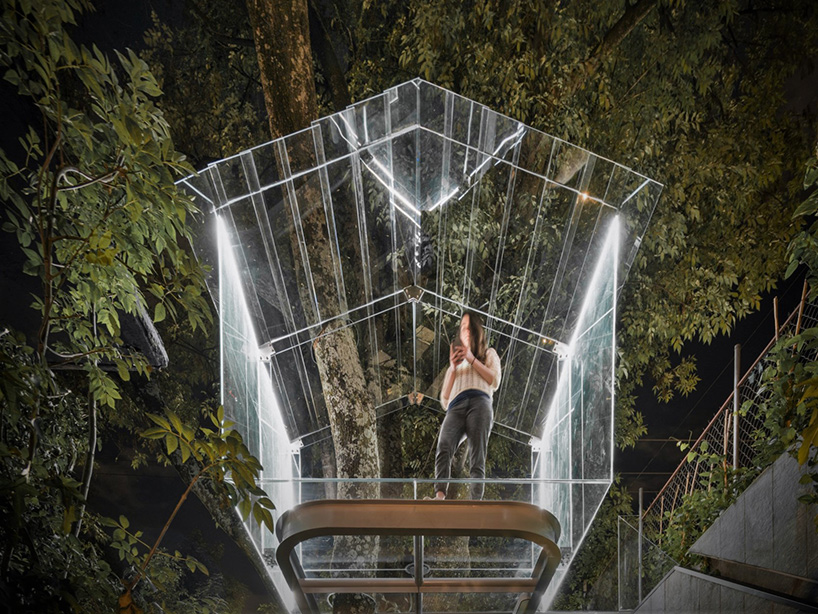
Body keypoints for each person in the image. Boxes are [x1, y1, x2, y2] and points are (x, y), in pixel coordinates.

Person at [432, 311, 501, 500]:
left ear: (477, 332)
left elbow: (493, 380)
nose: (466, 332)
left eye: (470, 328)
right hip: (456, 406)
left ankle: (475, 502)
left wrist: (471, 358)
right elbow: (444, 400)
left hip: (480, 402)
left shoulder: (488, 353)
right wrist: (453, 368)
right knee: (444, 445)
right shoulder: (453, 368)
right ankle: (439, 496)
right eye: (463, 328)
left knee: (477, 453)